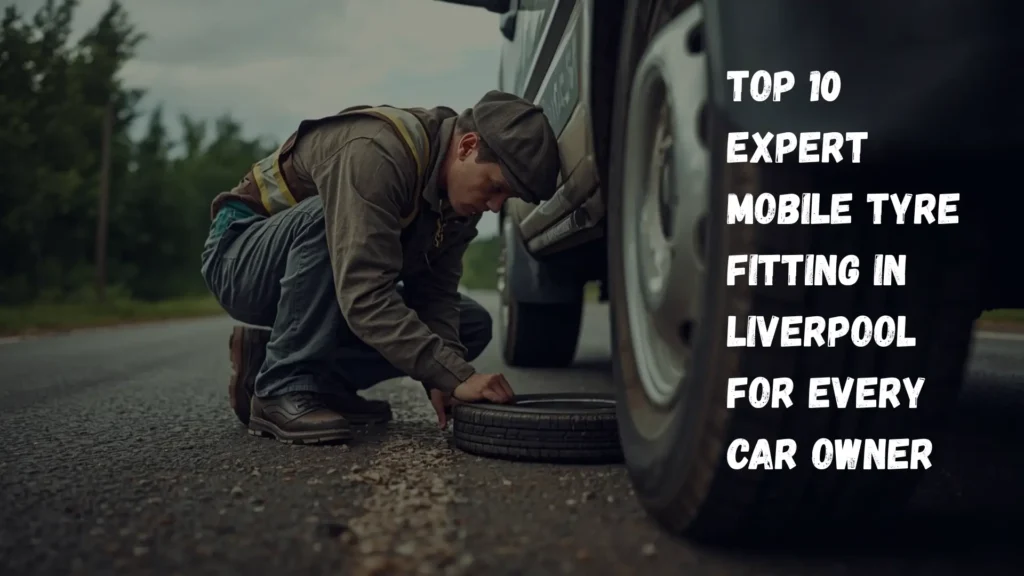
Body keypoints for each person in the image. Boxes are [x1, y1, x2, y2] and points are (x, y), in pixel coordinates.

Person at [200, 90, 562, 445]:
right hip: (240, 258)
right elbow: (365, 295)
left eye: (506, 198)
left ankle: (310, 379)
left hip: (317, 278)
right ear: (467, 146)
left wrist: (448, 378)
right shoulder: (376, 153)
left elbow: (435, 296)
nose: (495, 207)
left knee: (470, 327)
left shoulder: (457, 204)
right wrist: (456, 375)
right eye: (495, 187)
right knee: (329, 217)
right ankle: (283, 385)